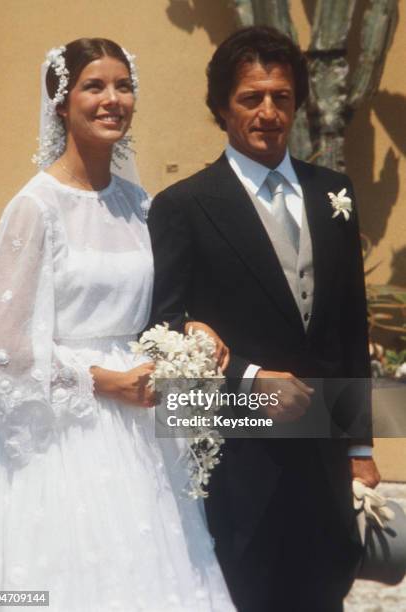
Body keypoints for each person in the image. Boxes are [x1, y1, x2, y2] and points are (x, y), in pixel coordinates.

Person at [0, 38, 235, 612]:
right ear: (61, 104)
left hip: (145, 426)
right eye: (94, 86)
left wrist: (193, 330)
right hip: (66, 431)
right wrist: (102, 381)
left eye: (123, 85)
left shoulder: (141, 205)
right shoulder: (35, 207)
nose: (113, 99)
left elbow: (152, 307)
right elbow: (6, 349)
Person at [148, 26, 381, 612]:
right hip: (239, 453)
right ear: (222, 107)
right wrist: (249, 380)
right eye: (252, 97)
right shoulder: (183, 206)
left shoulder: (335, 192)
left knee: (326, 585)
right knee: (249, 590)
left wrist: (358, 445)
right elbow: (161, 331)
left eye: (281, 96)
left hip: (323, 453)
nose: (268, 111)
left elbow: (351, 324)